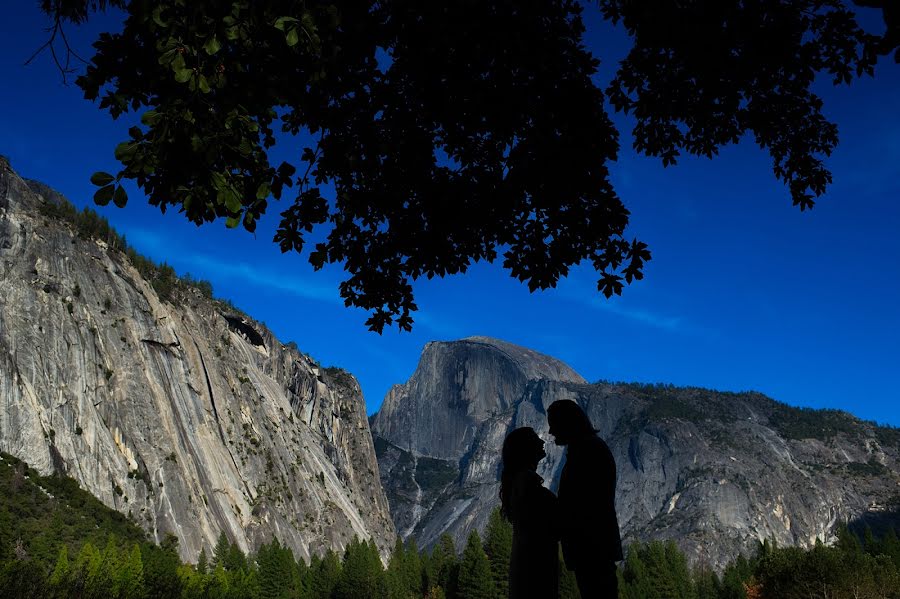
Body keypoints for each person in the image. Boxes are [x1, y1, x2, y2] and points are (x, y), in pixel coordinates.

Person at [547, 399, 623, 598]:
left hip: (592, 548)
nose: (550, 431)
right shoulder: (587, 448)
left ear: (567, 423)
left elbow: (581, 503)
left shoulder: (588, 450)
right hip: (593, 548)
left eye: (553, 424)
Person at [499, 427, 559, 598]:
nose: (542, 441)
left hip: (529, 565)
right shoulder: (526, 485)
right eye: (535, 439)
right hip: (535, 568)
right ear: (524, 449)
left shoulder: (521, 482)